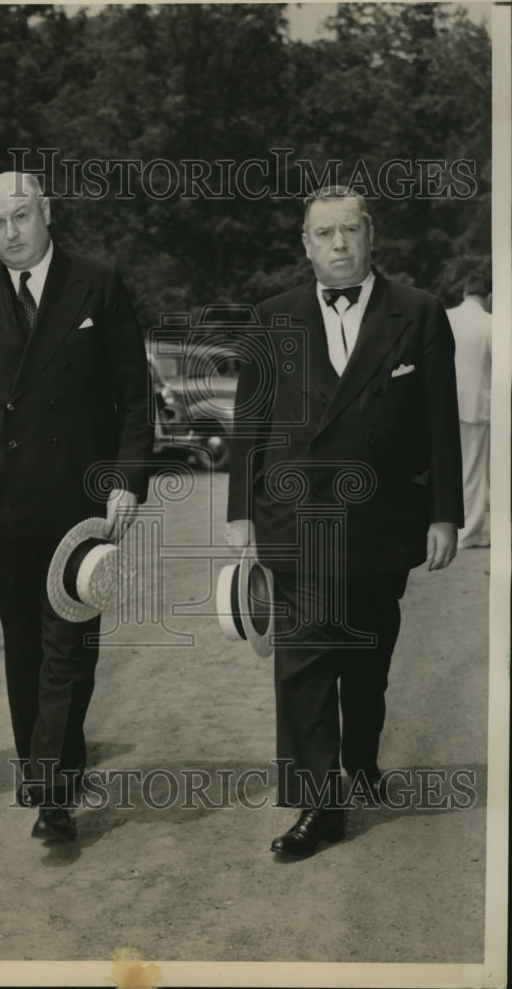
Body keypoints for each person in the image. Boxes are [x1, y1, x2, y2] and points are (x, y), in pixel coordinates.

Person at [226, 186, 463, 858]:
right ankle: (318, 804)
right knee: (301, 661)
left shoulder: (418, 314)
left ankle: (359, 757)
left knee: (368, 655)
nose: (337, 244)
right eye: (323, 233)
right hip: (296, 519)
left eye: (348, 231)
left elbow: (439, 425)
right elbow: (252, 424)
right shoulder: (272, 320)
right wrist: (241, 512)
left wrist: (445, 514)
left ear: (369, 236)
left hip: (381, 523)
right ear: (304, 244)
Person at [0, 172, 152, 842]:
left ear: (46, 212)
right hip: (5, 504)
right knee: (24, 643)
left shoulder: (98, 281)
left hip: (82, 503)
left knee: (70, 641)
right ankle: (46, 760)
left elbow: (133, 393)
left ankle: (52, 791)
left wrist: (128, 478)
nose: (10, 233)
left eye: (20, 216)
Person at [446, 266, 492, 548]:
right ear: (487, 296)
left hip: (446, 402)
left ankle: (448, 526)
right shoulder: (491, 323)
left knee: (452, 467)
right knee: (472, 470)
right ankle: (468, 533)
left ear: (464, 292)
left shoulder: (446, 317)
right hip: (476, 404)